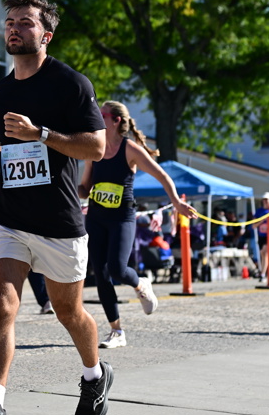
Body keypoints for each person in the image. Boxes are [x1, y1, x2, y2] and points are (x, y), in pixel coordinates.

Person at [0, 0, 110, 415]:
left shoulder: (71, 84)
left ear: (46, 34)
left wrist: (40, 133)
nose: (14, 28)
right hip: (8, 216)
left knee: (69, 312)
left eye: (25, 22)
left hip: (58, 221)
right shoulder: (1, 91)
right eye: (10, 22)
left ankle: (95, 374)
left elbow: (97, 147)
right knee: (2, 304)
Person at [78, 100, 195, 349]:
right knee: (100, 274)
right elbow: (85, 189)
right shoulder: (94, 148)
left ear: (116, 120)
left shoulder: (129, 149)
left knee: (118, 269)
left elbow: (162, 175)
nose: (98, 118)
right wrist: (65, 187)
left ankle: (141, 284)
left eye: (102, 115)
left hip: (121, 218)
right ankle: (116, 331)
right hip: (96, 217)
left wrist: (177, 203)